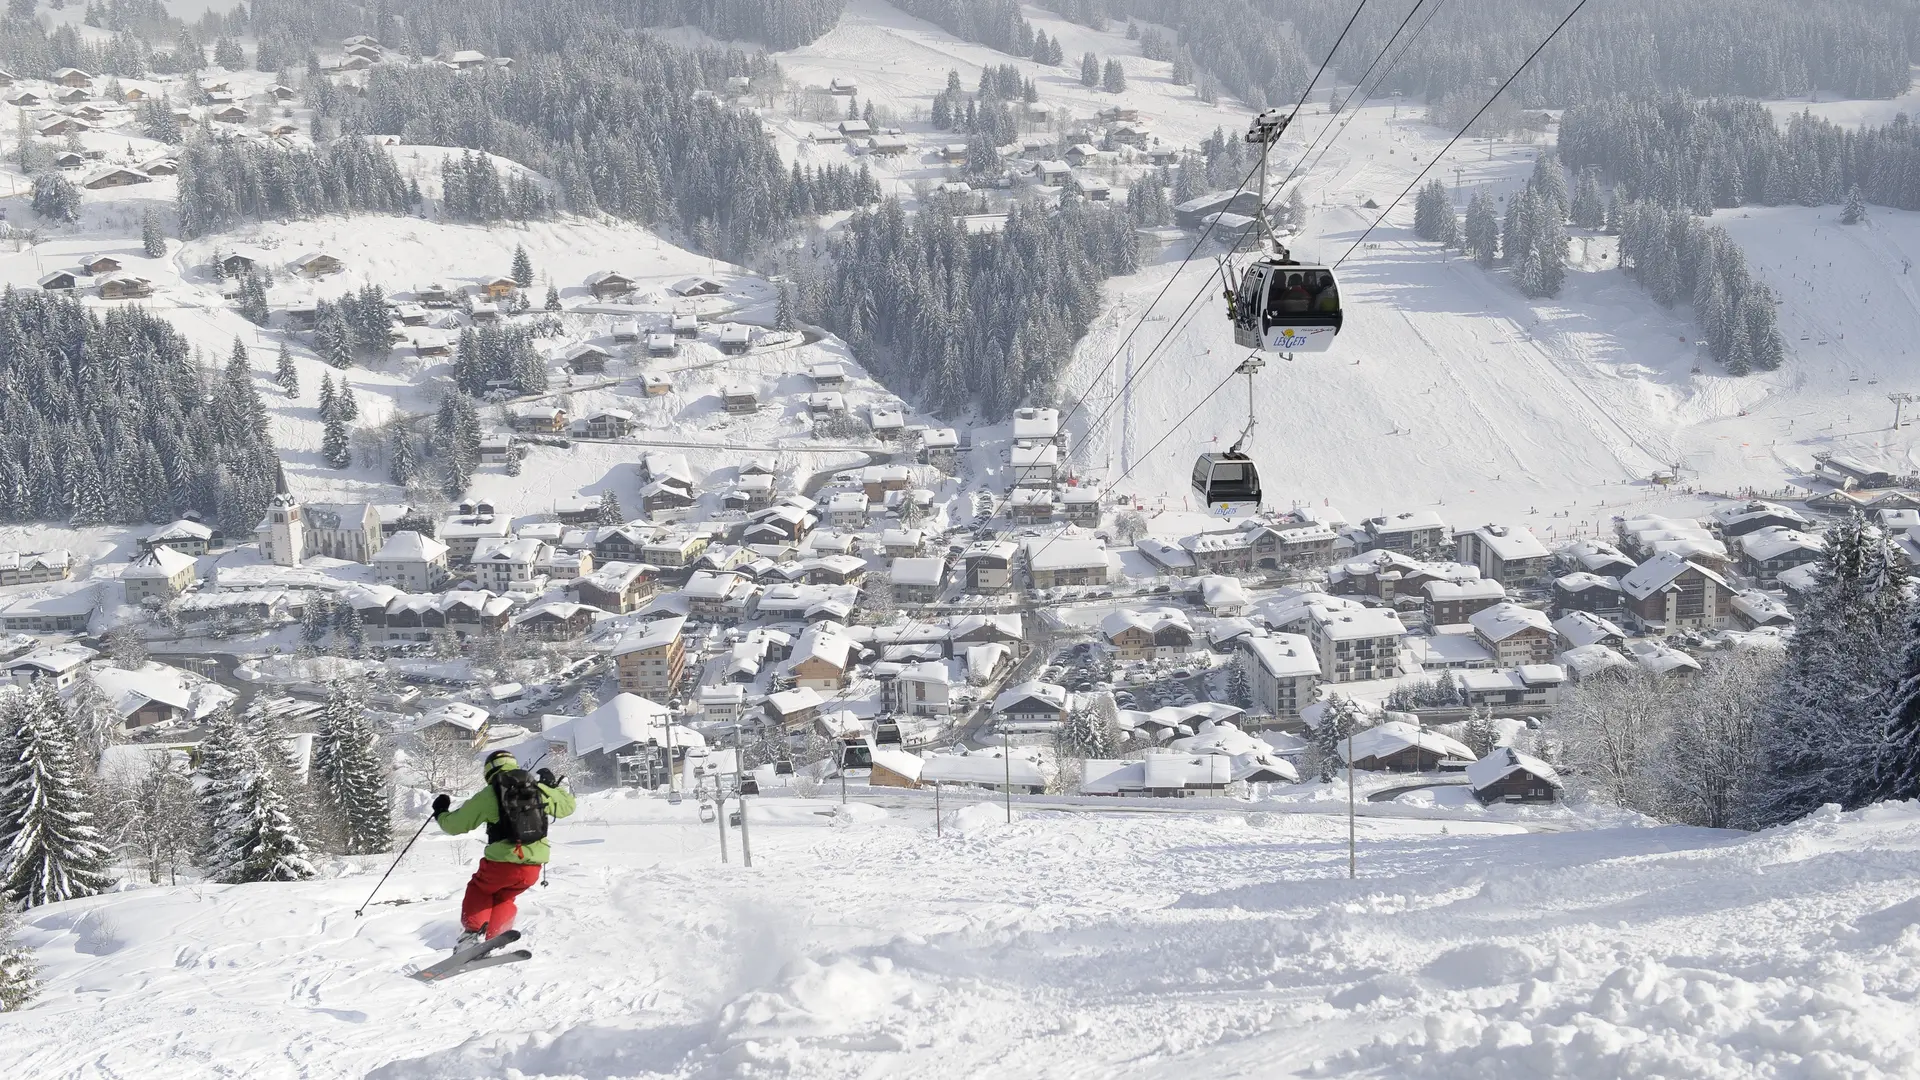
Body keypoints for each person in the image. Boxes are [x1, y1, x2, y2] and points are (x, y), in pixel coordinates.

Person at [433, 750, 576, 948]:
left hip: (502, 864)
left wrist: (440, 812)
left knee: (479, 889)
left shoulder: (490, 793)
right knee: (504, 897)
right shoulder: (536, 788)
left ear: (488, 771)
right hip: (532, 868)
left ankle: (471, 938)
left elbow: (455, 825)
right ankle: (496, 938)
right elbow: (568, 807)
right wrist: (552, 786)